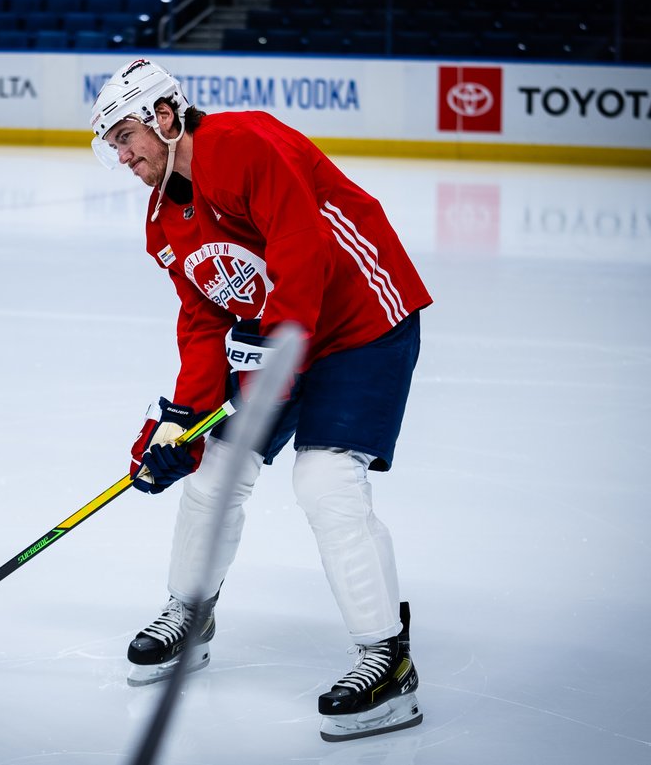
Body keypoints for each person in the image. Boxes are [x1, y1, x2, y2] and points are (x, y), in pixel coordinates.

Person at [89, 59, 433, 742]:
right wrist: (180, 423)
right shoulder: (163, 220)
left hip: (360, 321)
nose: (122, 155)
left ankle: (387, 659)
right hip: (273, 334)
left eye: (126, 135)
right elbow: (204, 317)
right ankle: (191, 611)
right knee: (214, 467)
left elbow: (303, 250)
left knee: (325, 479)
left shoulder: (241, 147)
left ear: (164, 115)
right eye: (112, 144)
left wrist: (273, 345)